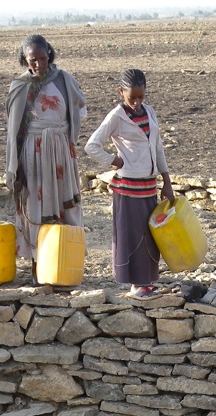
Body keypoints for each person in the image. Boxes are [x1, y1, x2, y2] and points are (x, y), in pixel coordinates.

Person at [85, 67, 175, 300]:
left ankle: (146, 281)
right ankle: (136, 285)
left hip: (148, 185)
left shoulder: (150, 112)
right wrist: (113, 160)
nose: (136, 102)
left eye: (140, 97)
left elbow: (157, 148)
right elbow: (91, 145)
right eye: (131, 97)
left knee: (149, 234)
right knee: (133, 235)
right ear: (121, 92)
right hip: (128, 186)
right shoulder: (117, 116)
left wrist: (166, 181)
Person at [4, 34, 87, 271]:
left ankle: (67, 262)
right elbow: (13, 131)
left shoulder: (64, 81)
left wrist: (64, 134)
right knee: (35, 205)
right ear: (24, 59)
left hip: (61, 150)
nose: (38, 64)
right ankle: (37, 265)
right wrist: (15, 166)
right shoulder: (19, 87)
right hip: (33, 153)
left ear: (49, 55)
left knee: (65, 202)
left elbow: (80, 109)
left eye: (42, 58)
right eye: (33, 60)